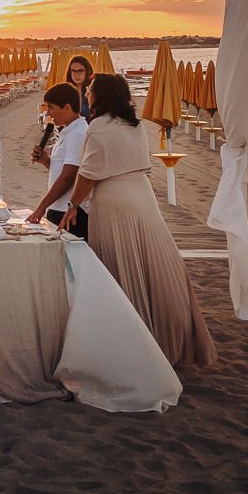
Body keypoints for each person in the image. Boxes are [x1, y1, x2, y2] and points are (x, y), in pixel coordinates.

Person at [63, 74, 216, 370]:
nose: (88, 93)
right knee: (153, 261)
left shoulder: (97, 127)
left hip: (114, 199)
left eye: (91, 89)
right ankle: (167, 337)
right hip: (142, 196)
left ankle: (130, 340)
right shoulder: (135, 125)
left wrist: (72, 205)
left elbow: (89, 173)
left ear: (100, 95)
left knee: (117, 264)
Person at [26, 83, 90, 237]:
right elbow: (64, 170)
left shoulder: (77, 133)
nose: (49, 113)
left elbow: (69, 177)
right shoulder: (69, 131)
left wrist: (41, 207)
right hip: (58, 207)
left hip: (67, 211)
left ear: (67, 107)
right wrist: (46, 160)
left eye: (51, 107)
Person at [64, 56, 96, 120]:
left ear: (87, 71)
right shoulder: (66, 92)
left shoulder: (93, 91)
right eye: (73, 71)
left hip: (90, 128)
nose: (76, 75)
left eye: (80, 71)